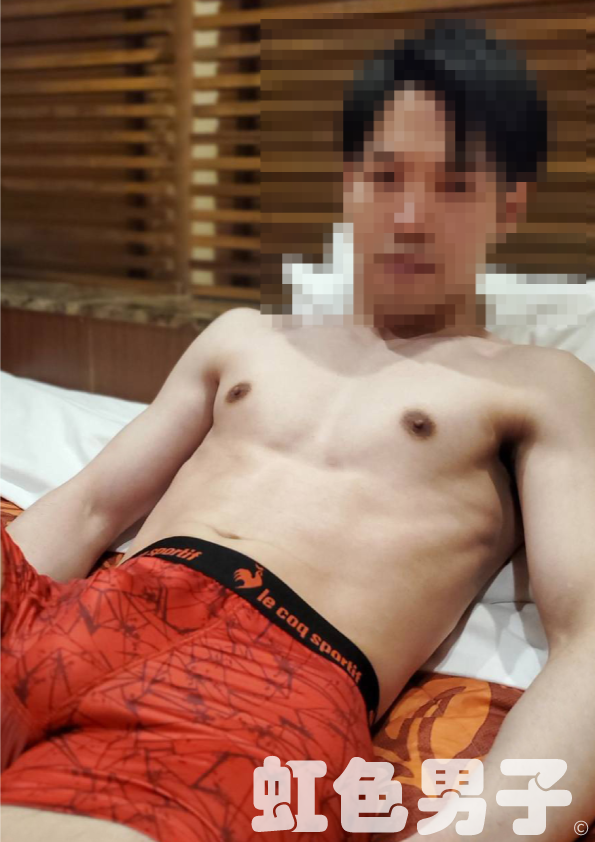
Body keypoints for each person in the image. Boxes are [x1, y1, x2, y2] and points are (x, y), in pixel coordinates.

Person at [0, 18, 593, 842]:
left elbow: (587, 635)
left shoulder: (539, 385)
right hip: (100, 604)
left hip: (269, 665)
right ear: (348, 184)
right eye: (384, 175)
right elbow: (94, 504)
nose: (410, 216)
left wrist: (488, 827)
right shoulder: (243, 338)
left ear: (509, 204)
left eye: (455, 185)